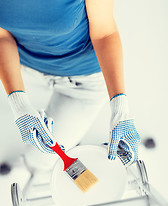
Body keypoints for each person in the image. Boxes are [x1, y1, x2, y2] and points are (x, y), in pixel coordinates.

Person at [0, 0, 140, 171]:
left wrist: (120, 109)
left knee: (40, 160)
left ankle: (33, 163)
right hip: (26, 68)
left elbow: (104, 33)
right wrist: (19, 103)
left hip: (82, 82)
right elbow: (2, 35)